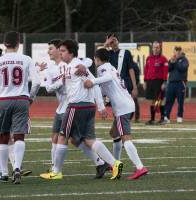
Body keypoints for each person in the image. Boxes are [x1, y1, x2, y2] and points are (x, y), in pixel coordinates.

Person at [40, 40, 123, 180]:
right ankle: (114, 163)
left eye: (63, 51)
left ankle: (56, 172)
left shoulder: (75, 66)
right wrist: (100, 105)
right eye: (60, 50)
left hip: (76, 106)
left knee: (62, 137)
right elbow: (93, 82)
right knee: (88, 139)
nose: (60, 53)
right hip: (88, 106)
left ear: (71, 53)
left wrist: (101, 105)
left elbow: (92, 81)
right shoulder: (76, 66)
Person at [84, 48, 148, 180]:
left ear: (97, 59)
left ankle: (140, 167)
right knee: (114, 133)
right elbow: (106, 87)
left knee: (126, 138)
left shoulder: (103, 69)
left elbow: (106, 79)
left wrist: (93, 81)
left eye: (95, 58)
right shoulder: (111, 67)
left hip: (122, 107)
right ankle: (115, 163)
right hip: (127, 104)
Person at [0, 31, 40, 184]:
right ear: (19, 43)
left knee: (3, 136)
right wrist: (30, 98)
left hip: (4, 99)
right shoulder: (26, 59)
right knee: (19, 135)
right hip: (21, 99)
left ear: (4, 44)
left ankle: (4, 173)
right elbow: (37, 82)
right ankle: (17, 168)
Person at [104, 33, 138, 98]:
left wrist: (135, 87)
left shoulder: (126, 53)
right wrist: (106, 44)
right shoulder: (108, 54)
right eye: (111, 42)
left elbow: (131, 69)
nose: (114, 43)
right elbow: (98, 57)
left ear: (118, 41)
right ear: (109, 44)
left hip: (125, 84)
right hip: (113, 85)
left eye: (115, 40)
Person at [143, 41, 168, 125]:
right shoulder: (148, 58)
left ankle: (162, 118)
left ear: (160, 48)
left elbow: (165, 71)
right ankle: (152, 119)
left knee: (159, 100)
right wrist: (145, 81)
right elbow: (146, 70)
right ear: (152, 48)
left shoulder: (163, 59)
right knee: (152, 100)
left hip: (159, 82)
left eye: (157, 47)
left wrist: (164, 82)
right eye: (154, 47)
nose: (156, 49)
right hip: (150, 82)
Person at [163, 46, 189, 124]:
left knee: (180, 102)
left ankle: (179, 117)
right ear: (174, 52)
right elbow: (168, 69)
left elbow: (183, 68)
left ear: (181, 52)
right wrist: (171, 62)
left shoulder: (184, 60)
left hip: (180, 83)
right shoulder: (172, 59)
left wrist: (176, 62)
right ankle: (166, 117)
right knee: (168, 101)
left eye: (179, 51)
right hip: (171, 83)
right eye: (176, 51)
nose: (177, 53)